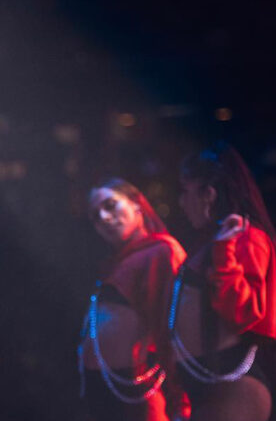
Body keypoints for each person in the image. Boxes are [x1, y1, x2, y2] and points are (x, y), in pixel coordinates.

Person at [170, 142, 276, 421]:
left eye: (185, 192)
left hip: (234, 387)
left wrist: (224, 252)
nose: (181, 203)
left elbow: (245, 312)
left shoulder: (246, 238)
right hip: (208, 387)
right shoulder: (213, 240)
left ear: (208, 194)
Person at [78, 178, 187, 421]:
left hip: (136, 392)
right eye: (95, 216)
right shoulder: (117, 263)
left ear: (137, 205)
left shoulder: (161, 251)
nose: (104, 218)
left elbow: (177, 330)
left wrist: (181, 403)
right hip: (103, 391)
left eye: (111, 205)